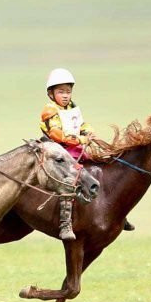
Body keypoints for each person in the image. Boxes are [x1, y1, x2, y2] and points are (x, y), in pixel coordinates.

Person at [40, 67, 110, 239]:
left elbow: (82, 124)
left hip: (76, 149)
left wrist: (88, 132)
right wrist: (81, 140)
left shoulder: (72, 108)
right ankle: (65, 223)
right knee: (70, 181)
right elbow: (56, 134)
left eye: (68, 92)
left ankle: (114, 212)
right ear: (51, 94)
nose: (65, 95)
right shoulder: (50, 111)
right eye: (61, 91)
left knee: (103, 167)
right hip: (57, 152)